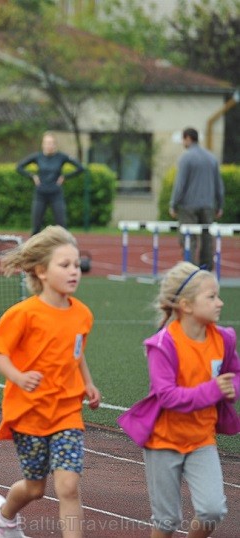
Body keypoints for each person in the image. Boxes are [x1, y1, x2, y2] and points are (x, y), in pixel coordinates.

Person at [0, 225, 101, 538]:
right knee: (35, 488)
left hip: (67, 411)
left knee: (68, 486)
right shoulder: (24, 314)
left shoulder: (83, 314)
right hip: (30, 412)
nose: (74, 271)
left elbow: (77, 353)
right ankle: (5, 514)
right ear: (41, 271)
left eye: (76, 265)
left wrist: (87, 382)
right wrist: (19, 377)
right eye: (64, 265)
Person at [117, 262, 239, 538]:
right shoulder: (163, 344)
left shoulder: (223, 338)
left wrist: (233, 387)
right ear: (186, 305)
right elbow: (168, 396)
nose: (220, 303)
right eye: (212, 296)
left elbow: (235, 373)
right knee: (166, 521)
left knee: (212, 510)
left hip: (201, 440)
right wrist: (215, 390)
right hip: (163, 442)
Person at [169, 127, 224, 271]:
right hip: (208, 205)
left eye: (183, 139)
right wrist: (220, 205)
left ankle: (191, 269)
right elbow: (219, 184)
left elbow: (180, 184)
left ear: (187, 138)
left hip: (188, 206)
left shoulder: (186, 158)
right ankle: (206, 268)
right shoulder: (211, 158)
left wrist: (173, 204)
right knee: (207, 237)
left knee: (189, 238)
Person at [16, 132, 85, 236]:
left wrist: (65, 177)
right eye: (47, 143)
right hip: (40, 194)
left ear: (55, 145)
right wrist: (32, 176)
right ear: (43, 144)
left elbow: (80, 168)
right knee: (36, 227)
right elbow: (19, 167)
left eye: (52, 143)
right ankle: (33, 250)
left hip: (56, 194)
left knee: (62, 226)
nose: (49, 145)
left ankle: (66, 250)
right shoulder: (37, 156)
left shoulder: (61, 157)